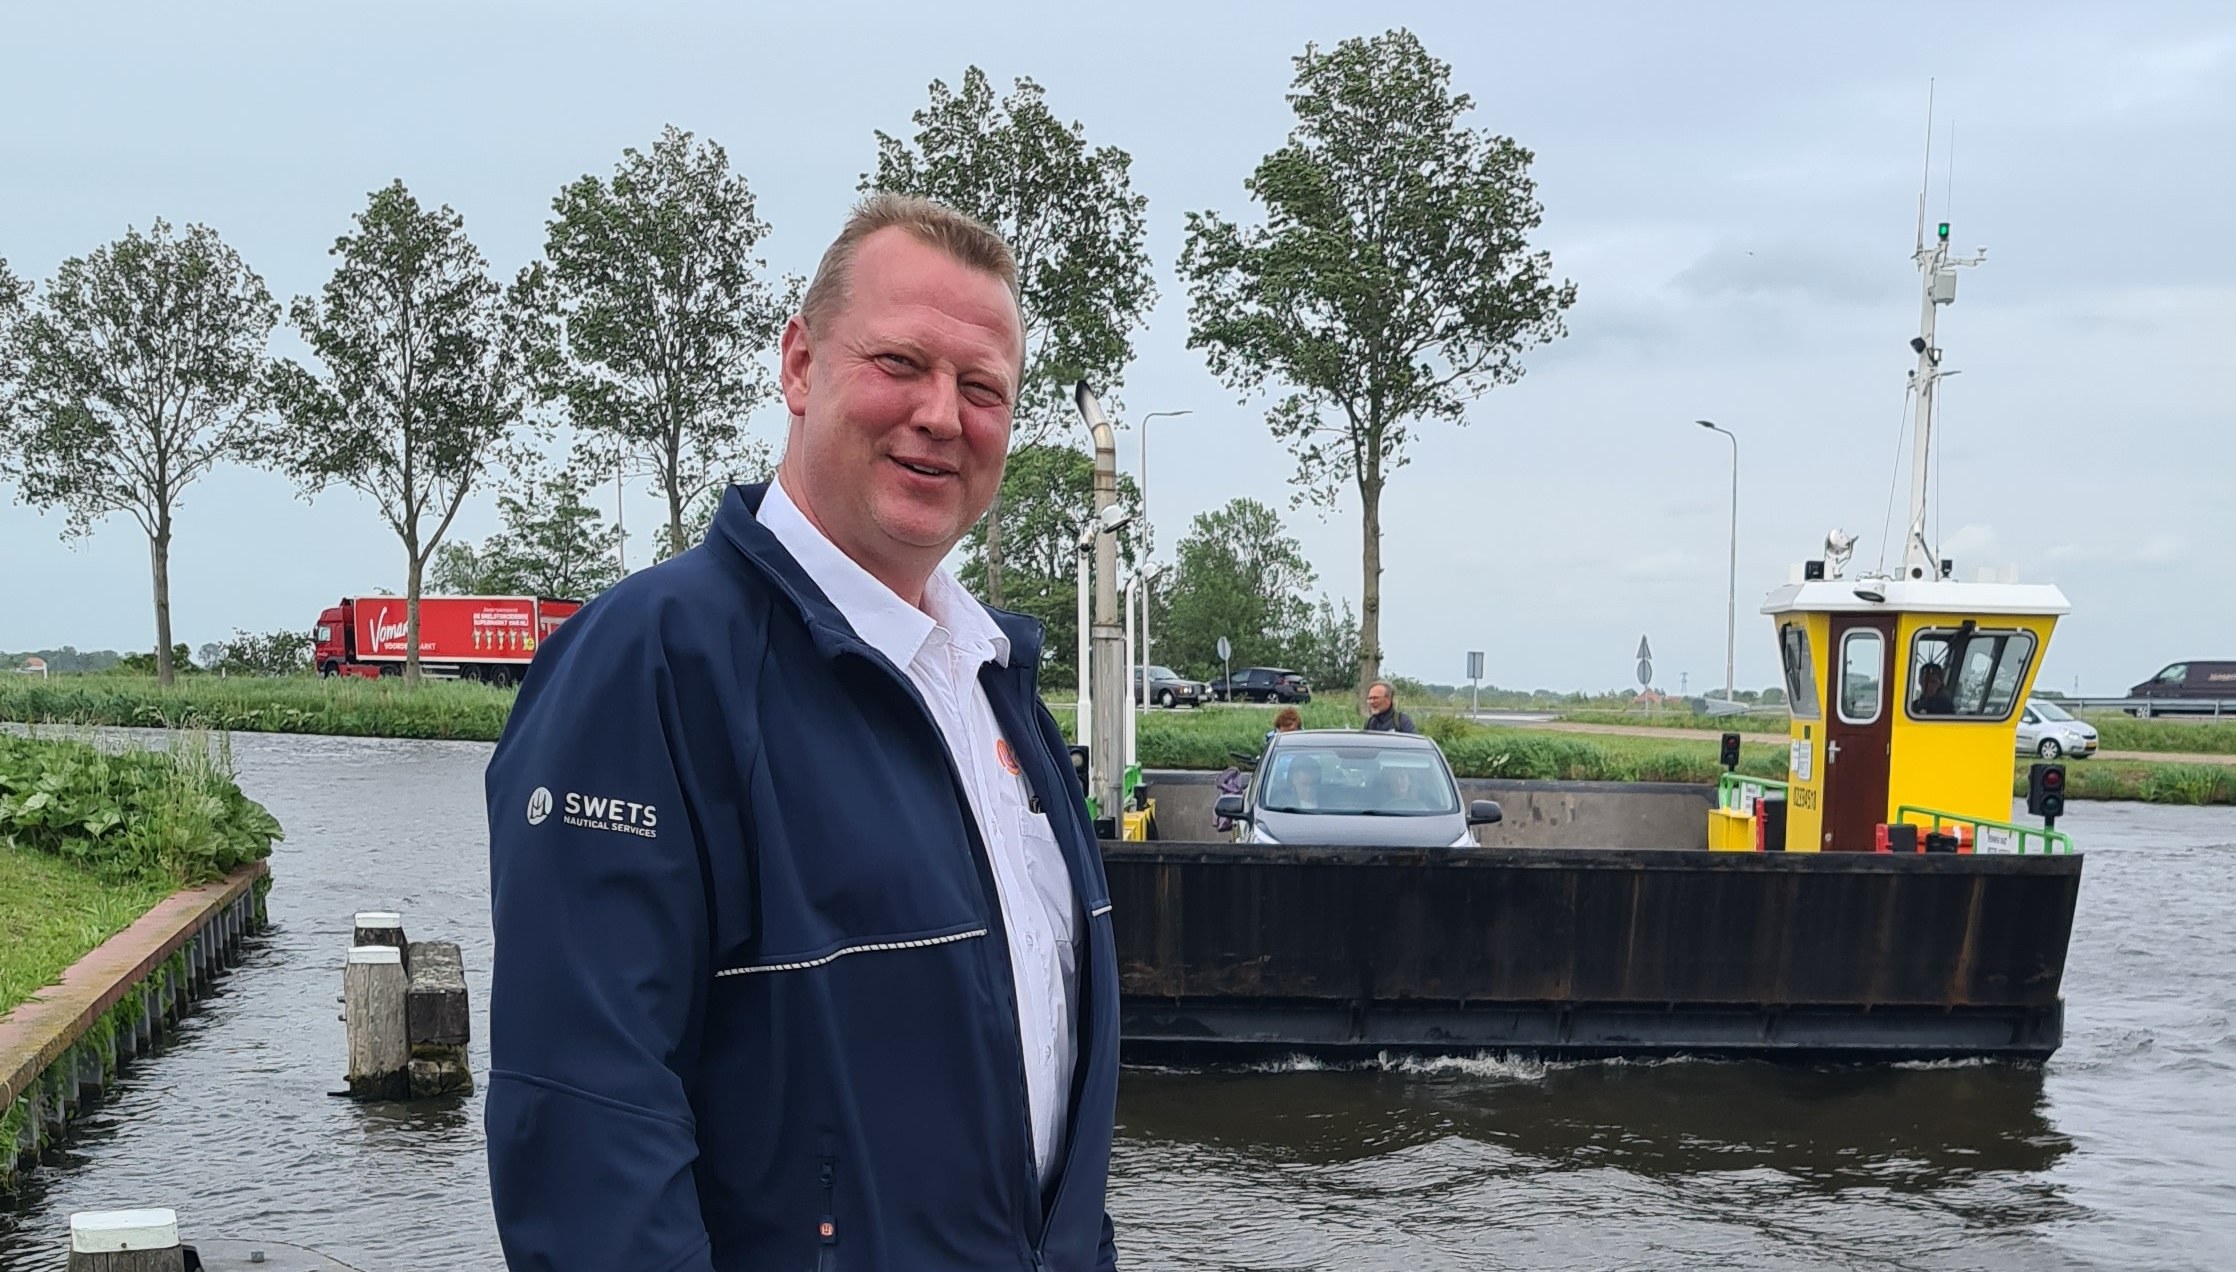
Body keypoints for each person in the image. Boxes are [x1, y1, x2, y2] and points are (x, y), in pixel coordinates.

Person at [483, 195, 1119, 1272]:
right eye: (900, 363)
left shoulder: (996, 685)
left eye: (981, 390)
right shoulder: (652, 664)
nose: (939, 414)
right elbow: (589, 1118)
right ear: (798, 365)